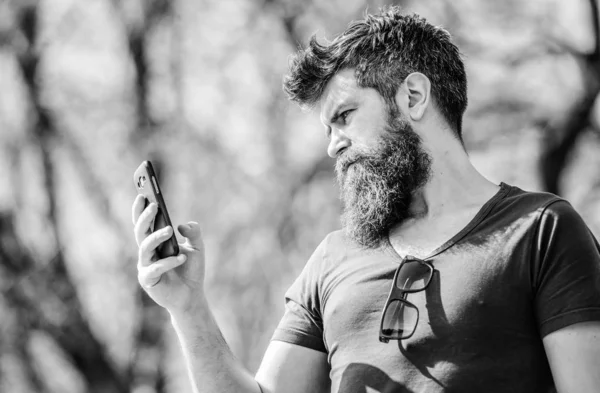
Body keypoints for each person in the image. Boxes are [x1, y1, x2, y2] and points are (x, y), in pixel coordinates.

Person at [131, 6, 600, 393]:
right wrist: (188, 309)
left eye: (345, 116)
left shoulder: (541, 230)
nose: (332, 145)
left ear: (413, 96)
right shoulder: (333, 260)